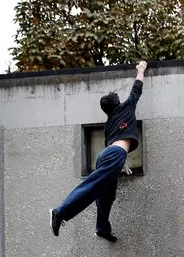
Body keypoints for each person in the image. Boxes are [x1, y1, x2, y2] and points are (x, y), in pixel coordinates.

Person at [50, 61, 148, 242]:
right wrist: (140, 69)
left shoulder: (110, 123)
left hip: (108, 155)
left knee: (106, 195)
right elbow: (137, 87)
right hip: (114, 155)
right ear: (118, 103)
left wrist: (122, 162)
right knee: (93, 186)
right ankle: (60, 212)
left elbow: (114, 143)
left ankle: (102, 229)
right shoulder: (126, 107)